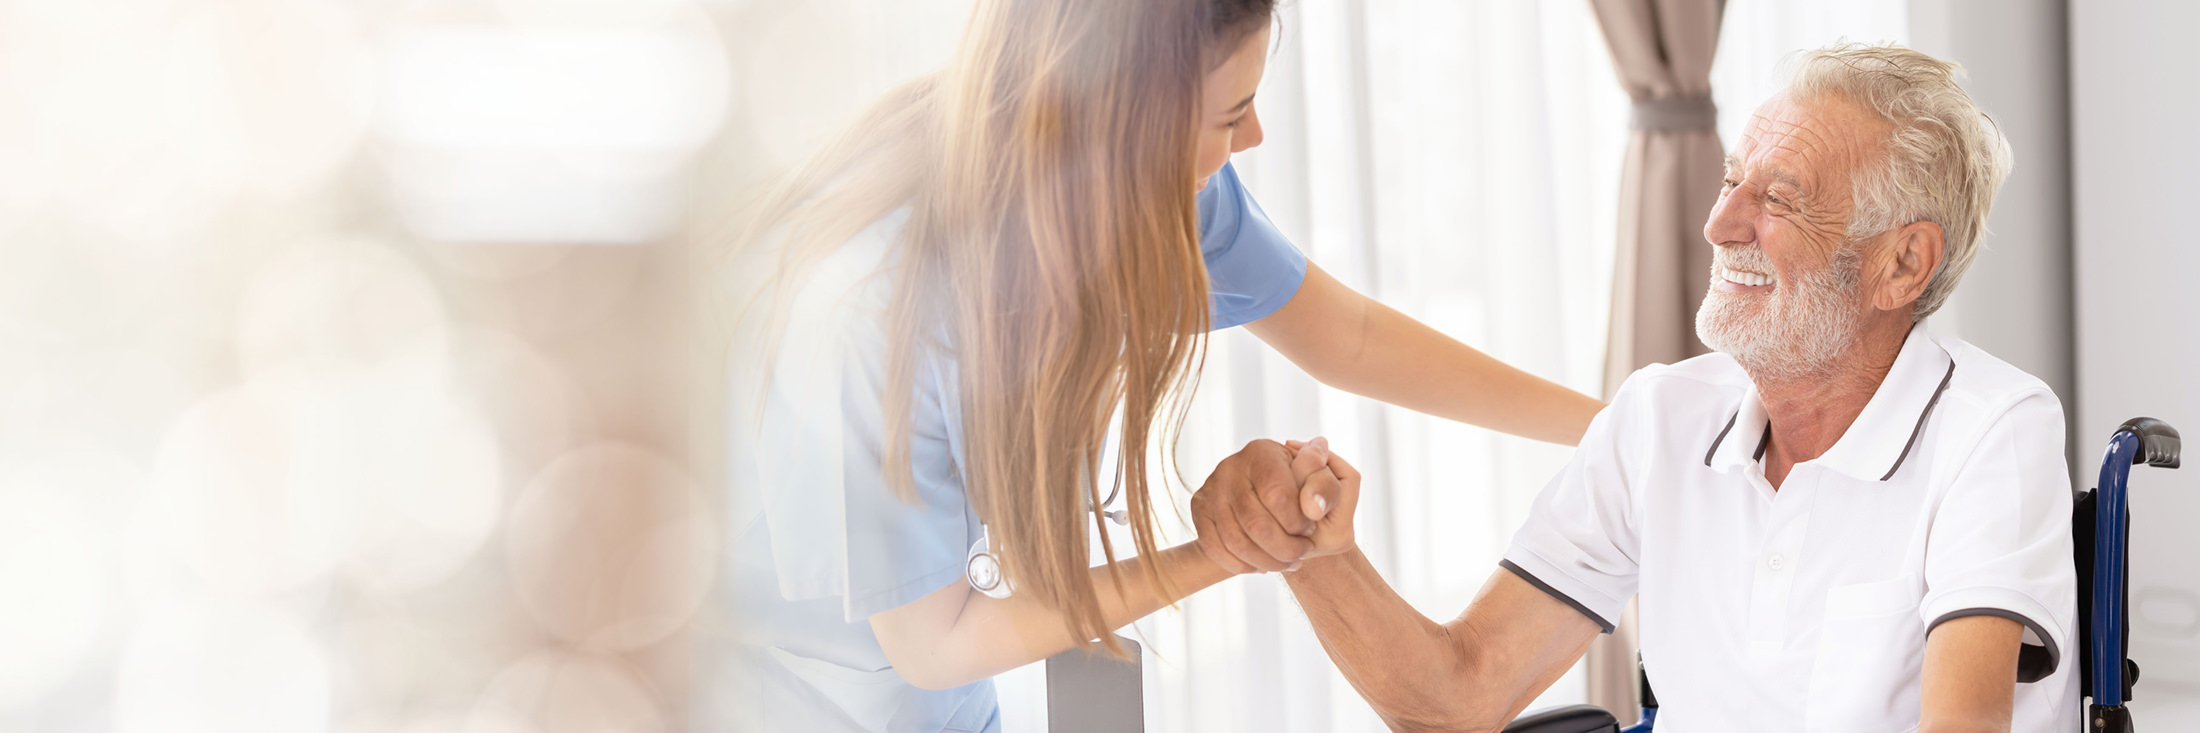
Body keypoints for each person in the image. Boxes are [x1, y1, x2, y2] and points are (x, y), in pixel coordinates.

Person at [717, 0, 1601, 730]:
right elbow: (935, 640)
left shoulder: (1159, 195)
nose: (1252, 137)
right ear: (1117, 120)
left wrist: (1623, 424)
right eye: (1228, 114)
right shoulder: (878, 309)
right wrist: (1225, 549)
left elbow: (1351, 339)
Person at [1200, 44, 2080, 731]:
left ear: (1902, 263)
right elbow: (1459, 699)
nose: (1718, 220)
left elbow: (1963, 722)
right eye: (1734, 179)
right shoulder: (1659, 417)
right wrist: (1318, 553)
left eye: (1778, 196)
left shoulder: (1993, 427)